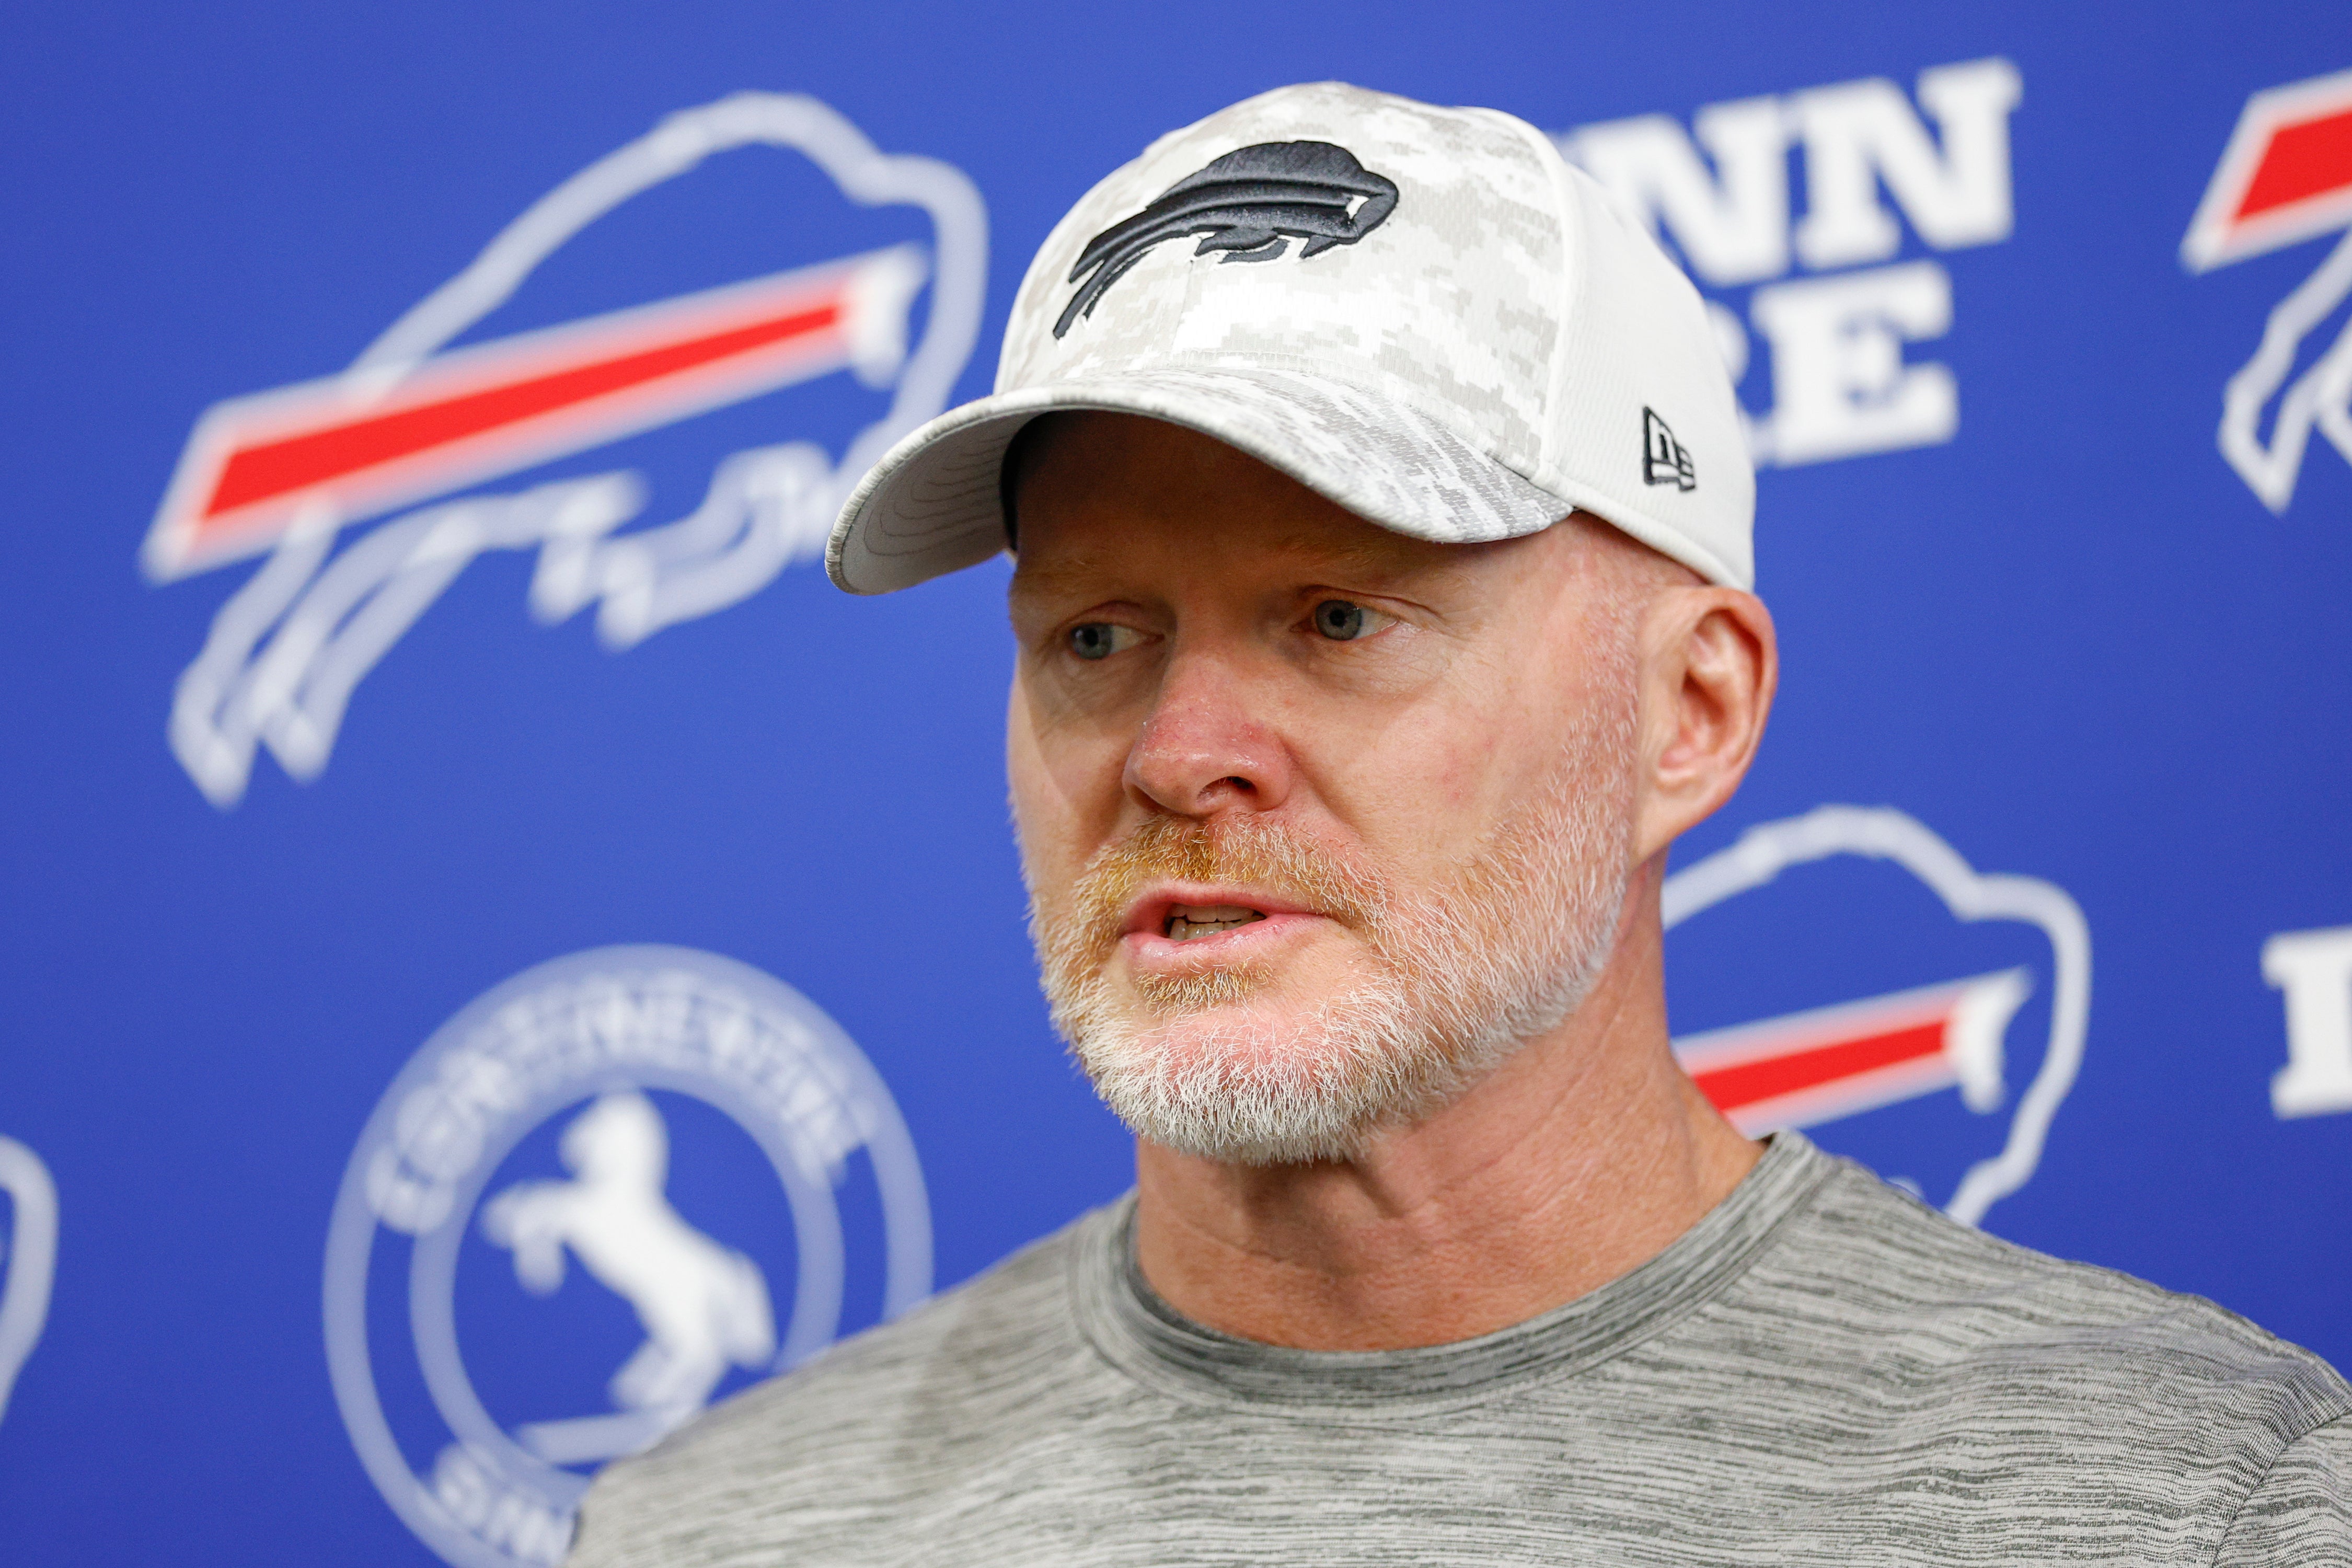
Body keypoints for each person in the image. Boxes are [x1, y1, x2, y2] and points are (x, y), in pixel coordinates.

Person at [568, 82, 2349, 1565]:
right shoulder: (715, 1536)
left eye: (1338, 618)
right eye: (1096, 639)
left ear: (1689, 712)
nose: (1183, 754)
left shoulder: (2188, 1503)